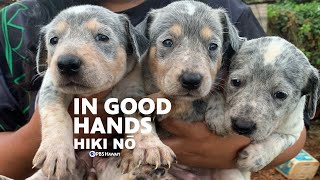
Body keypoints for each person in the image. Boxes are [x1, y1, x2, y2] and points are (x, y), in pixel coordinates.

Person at [0, 0, 306, 179]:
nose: (191, 68)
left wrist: (221, 151)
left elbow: (290, 128)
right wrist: (70, 137)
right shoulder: (23, 19)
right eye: (168, 44)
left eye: (212, 46)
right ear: (144, 46)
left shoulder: (228, 11)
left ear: (134, 48)